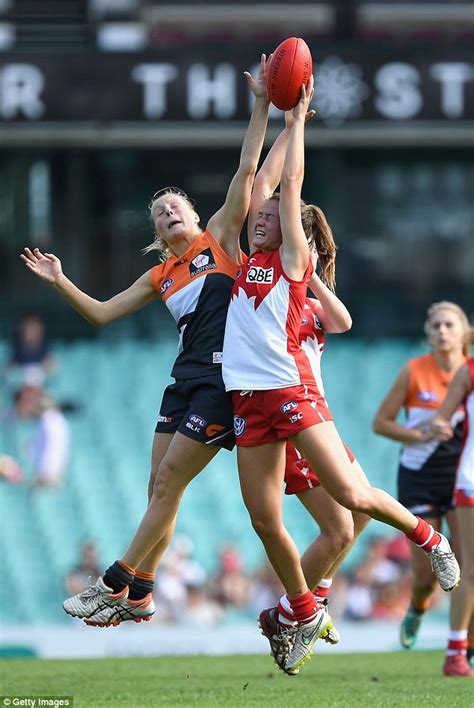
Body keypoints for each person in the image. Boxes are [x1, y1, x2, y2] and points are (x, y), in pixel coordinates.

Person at [20, 55, 271, 627]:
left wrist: (261, 104)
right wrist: (62, 281)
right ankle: (143, 595)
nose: (166, 213)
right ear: (157, 233)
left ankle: (113, 584)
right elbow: (103, 315)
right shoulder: (160, 276)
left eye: (174, 206)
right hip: (182, 381)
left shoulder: (222, 241)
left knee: (169, 485)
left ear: (193, 214)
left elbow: (248, 170)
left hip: (220, 380)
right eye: (158, 214)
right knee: (159, 489)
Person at [221, 78, 460, 676]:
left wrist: (297, 120)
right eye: (259, 214)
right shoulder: (241, 259)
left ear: (290, 230)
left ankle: (429, 542)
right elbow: (259, 177)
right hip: (247, 401)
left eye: (271, 217)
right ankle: (297, 610)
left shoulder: (293, 266)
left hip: (294, 396)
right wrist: (266, 111)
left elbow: (290, 184)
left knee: (352, 503)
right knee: (266, 520)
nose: (260, 217)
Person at [241, 111, 371, 655]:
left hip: (317, 410)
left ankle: (306, 601)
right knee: (341, 528)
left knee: (359, 512)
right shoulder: (268, 272)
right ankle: (293, 614)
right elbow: (268, 181)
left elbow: (341, 322)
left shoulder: (306, 296)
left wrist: (312, 272)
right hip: (291, 415)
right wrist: (289, 123)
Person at [372, 301, 470, 650]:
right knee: (427, 572)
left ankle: (462, 647)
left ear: (464, 333)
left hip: (461, 476)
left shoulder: (470, 372)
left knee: (466, 566)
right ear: (428, 335)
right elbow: (380, 422)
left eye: (449, 325)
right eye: (436, 326)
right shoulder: (414, 371)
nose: (442, 331)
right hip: (419, 474)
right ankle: (417, 606)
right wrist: (420, 434)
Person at [431, 351, 474, 678]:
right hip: (471, 480)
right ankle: (455, 653)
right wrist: (439, 425)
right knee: (471, 569)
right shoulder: (468, 371)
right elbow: (442, 416)